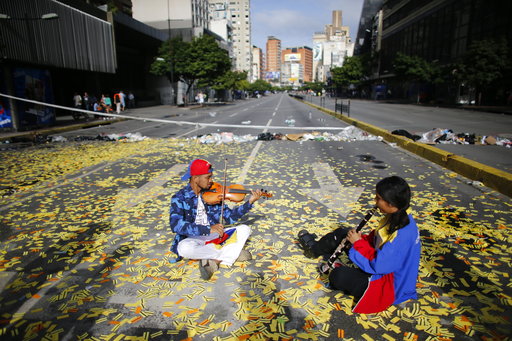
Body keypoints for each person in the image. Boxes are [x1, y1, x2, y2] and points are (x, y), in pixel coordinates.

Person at [298, 176, 421, 314]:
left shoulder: (402, 234)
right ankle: (314, 249)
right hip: (380, 263)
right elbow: (378, 240)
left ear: (391, 204)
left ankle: (342, 268)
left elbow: (380, 266)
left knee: (338, 276)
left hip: (388, 284)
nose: (375, 201)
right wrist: (359, 238)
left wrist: (358, 243)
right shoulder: (397, 215)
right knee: (342, 233)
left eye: (378, 198)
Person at [169, 159, 265, 280]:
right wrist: (207, 229)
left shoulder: (214, 194)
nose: (211, 181)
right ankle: (230, 255)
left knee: (244, 229)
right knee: (183, 248)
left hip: (215, 235)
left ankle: (215, 260)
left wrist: (249, 202)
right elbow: (176, 225)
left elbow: (229, 218)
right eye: (208, 177)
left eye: (211, 177)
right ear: (195, 178)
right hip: (193, 238)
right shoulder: (179, 198)